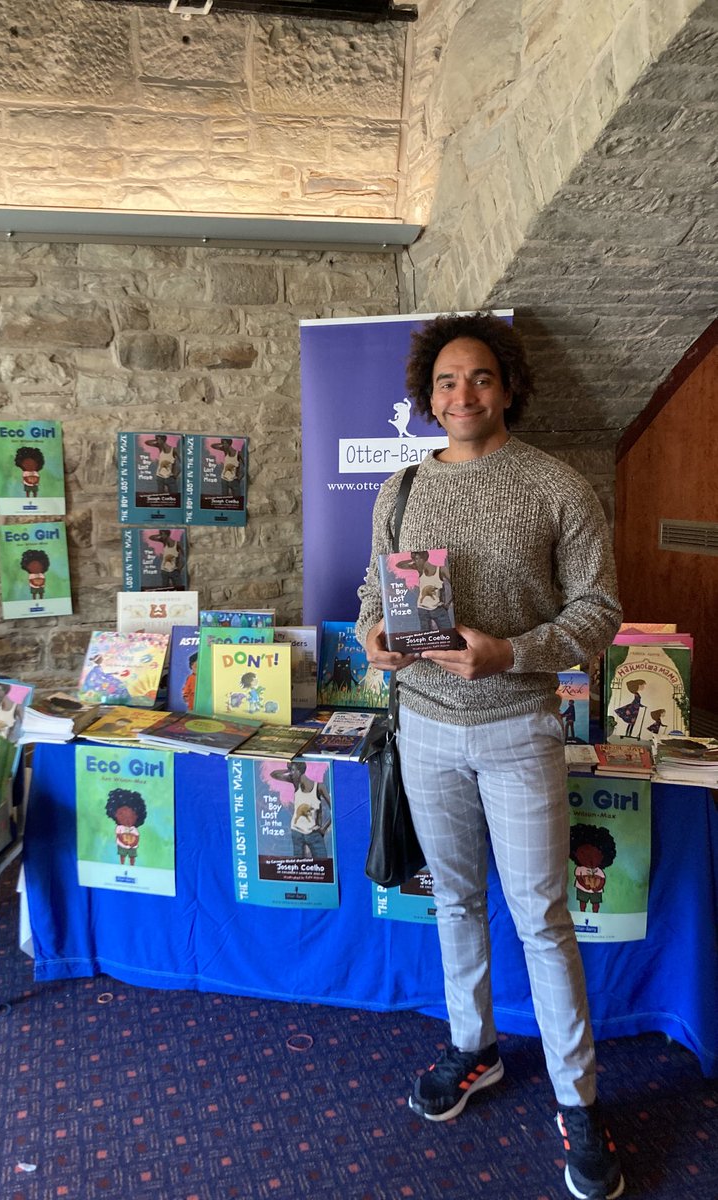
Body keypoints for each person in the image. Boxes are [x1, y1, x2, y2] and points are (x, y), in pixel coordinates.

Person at [356, 312, 624, 1200]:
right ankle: (473, 1050)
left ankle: (578, 1101)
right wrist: (372, 637)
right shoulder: (396, 491)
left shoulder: (558, 486)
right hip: (425, 727)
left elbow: (598, 614)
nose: (460, 394)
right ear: (424, 396)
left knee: (543, 918)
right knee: (457, 903)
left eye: (477, 378)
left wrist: (507, 652)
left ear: (506, 387)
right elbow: (372, 592)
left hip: (518, 730)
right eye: (443, 381)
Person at [269, 761, 331, 860]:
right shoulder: (296, 784)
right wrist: (290, 771)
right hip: (296, 832)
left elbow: (334, 809)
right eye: (290, 771)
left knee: (322, 862)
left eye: (293, 770)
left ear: (300, 771)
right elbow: (274, 774)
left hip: (313, 833)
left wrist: (324, 828)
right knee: (298, 864)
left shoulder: (319, 787)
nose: (291, 773)